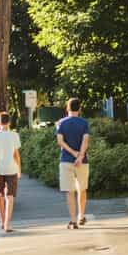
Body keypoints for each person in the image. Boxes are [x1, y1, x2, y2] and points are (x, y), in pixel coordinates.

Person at [56, 98, 91, 229]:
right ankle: (81, 216)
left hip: (66, 160)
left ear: (67, 109)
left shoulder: (61, 123)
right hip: (82, 161)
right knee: (82, 189)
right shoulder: (84, 123)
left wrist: (73, 153)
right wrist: (80, 156)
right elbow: (86, 140)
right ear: (79, 109)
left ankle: (73, 221)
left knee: (70, 192)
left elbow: (60, 141)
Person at [0, 112, 21, 232]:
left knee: (0, 195)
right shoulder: (14, 135)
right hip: (12, 169)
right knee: (10, 196)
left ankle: (2, 221)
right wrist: (19, 170)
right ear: (9, 122)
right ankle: (7, 223)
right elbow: (17, 155)